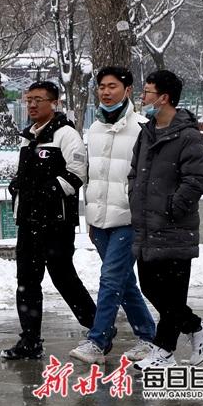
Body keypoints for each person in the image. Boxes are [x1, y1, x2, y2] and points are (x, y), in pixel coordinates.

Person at [129, 70, 203, 370]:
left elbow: (196, 180)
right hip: (147, 227)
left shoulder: (187, 135)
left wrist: (171, 208)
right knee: (151, 288)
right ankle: (196, 329)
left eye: (148, 92)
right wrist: (136, 200)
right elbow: (134, 173)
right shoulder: (147, 132)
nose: (143, 97)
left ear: (164, 97)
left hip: (175, 228)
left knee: (172, 292)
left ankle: (164, 351)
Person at [1, 81, 96, 360]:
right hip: (28, 222)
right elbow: (25, 174)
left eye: (38, 100)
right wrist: (18, 186)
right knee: (26, 281)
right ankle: (30, 340)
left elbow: (77, 175)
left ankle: (98, 328)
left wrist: (44, 193)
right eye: (28, 99)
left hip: (56, 223)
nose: (31, 105)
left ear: (54, 103)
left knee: (63, 277)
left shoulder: (66, 135)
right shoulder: (27, 136)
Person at [69, 67, 156, 365]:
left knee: (110, 279)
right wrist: (91, 218)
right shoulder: (93, 130)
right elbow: (90, 175)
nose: (106, 92)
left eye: (113, 86)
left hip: (129, 221)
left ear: (128, 90)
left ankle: (98, 340)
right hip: (99, 221)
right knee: (123, 281)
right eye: (102, 87)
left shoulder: (143, 128)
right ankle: (148, 337)